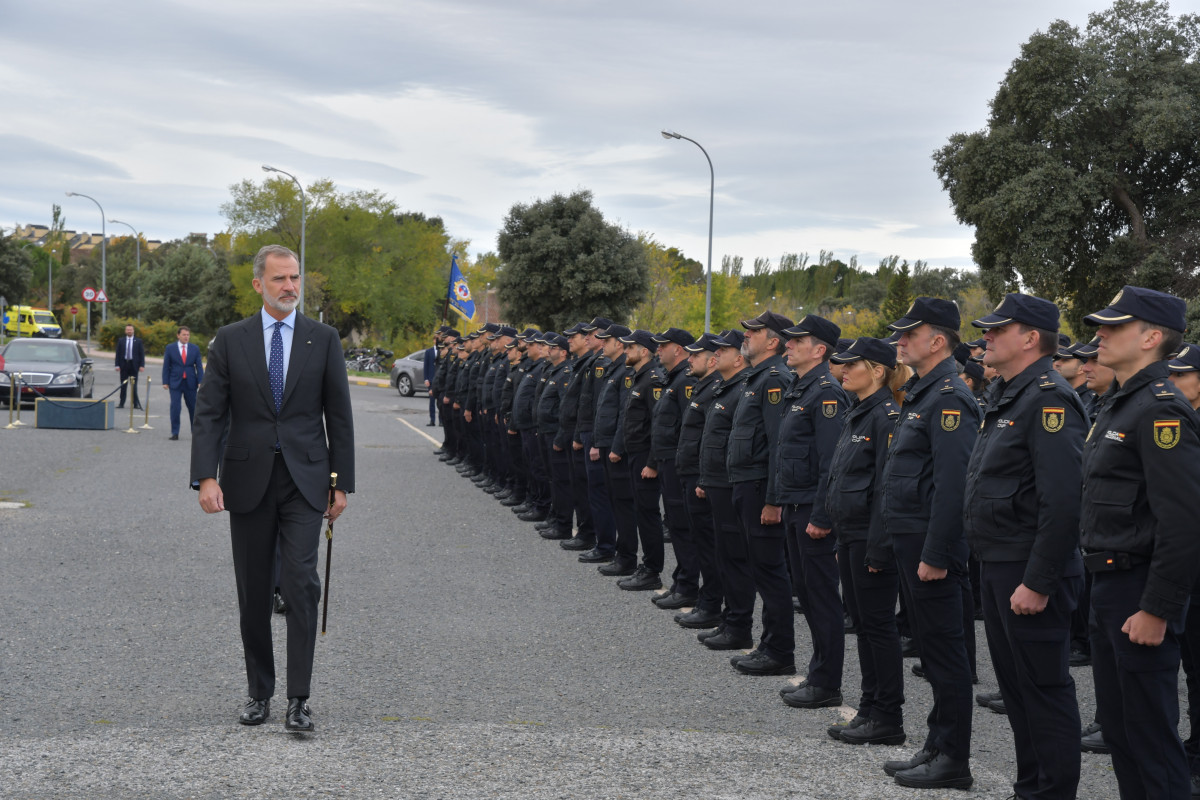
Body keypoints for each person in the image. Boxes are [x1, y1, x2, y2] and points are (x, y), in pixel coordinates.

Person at [191, 244, 354, 732]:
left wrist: (341, 484)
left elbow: (339, 417)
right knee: (255, 591)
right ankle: (259, 693)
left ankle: (298, 699)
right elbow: (210, 413)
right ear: (258, 283)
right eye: (280, 279)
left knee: (302, 585)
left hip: (306, 481)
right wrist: (205, 476)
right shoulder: (231, 339)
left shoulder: (322, 339)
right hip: (247, 481)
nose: (290, 287)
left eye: (295, 278)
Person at [964, 293, 1087, 800]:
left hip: (1029, 568)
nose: (986, 338)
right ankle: (1029, 788)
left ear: (1031, 338)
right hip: (1000, 561)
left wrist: (1038, 580)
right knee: (1018, 692)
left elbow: (1063, 503)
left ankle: (1052, 792)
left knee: (1043, 690)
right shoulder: (1011, 394)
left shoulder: (1049, 399)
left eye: (997, 330)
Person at [1079, 285, 1200, 800]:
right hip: (1107, 583)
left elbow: (1185, 520)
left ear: (1151, 337)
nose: (1099, 334)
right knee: (1122, 731)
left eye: (1114, 326)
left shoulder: (1160, 409)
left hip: (1138, 590)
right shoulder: (1120, 403)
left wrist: (1158, 608)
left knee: (1151, 738)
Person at [879, 297, 981, 790]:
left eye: (908, 334)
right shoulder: (924, 391)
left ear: (937, 340)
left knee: (945, 654)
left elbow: (953, 483)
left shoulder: (949, 397)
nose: (898, 341)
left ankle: (953, 759)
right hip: (911, 540)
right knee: (933, 655)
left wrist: (938, 554)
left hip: (929, 547)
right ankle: (936, 745)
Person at [823, 336, 906, 745]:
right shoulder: (860, 412)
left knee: (878, 627)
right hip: (850, 535)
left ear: (876, 371)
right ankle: (870, 707)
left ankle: (888, 716)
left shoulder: (886, 417)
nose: (843, 370)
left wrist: (878, 548)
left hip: (869, 541)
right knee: (864, 626)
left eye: (851, 365)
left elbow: (884, 491)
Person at [771, 314, 848, 704]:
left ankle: (827, 682)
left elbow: (830, 463)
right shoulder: (801, 389)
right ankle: (818, 671)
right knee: (806, 591)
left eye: (796, 341)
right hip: (794, 504)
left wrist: (820, 516)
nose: (788, 345)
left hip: (812, 513)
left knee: (820, 596)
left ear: (819, 350)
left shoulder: (827, 393)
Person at [727, 310, 796, 676]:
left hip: (759, 488)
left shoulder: (774, 380)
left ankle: (780, 650)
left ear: (773, 341)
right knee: (760, 568)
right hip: (747, 484)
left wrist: (773, 499)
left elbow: (776, 444)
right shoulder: (758, 377)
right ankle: (769, 644)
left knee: (770, 571)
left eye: (754, 332)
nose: (746, 336)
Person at [162, 326, 204, 440]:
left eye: (188, 335)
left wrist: (201, 381)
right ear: (178, 335)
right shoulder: (170, 348)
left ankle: (195, 431)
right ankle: (175, 432)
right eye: (184, 335)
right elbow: (166, 366)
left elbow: (199, 366)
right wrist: (165, 381)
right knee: (175, 408)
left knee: (193, 408)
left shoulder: (194, 348)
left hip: (190, 382)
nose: (186, 337)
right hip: (175, 382)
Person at [115, 323, 145, 409]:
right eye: (127, 330)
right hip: (124, 364)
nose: (129, 331)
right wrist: (117, 365)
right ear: (125, 331)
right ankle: (121, 403)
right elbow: (118, 353)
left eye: (130, 330)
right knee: (123, 385)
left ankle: (135, 403)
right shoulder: (121, 341)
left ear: (133, 330)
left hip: (134, 365)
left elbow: (141, 354)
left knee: (134, 385)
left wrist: (142, 365)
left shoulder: (138, 341)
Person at [423, 335, 438, 426]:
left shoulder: (443, 350)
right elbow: (426, 366)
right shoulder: (428, 351)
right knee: (431, 401)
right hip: (431, 379)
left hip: (439, 380)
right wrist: (426, 379)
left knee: (440, 402)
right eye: (435, 339)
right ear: (433, 340)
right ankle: (432, 420)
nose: (437, 341)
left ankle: (441, 421)